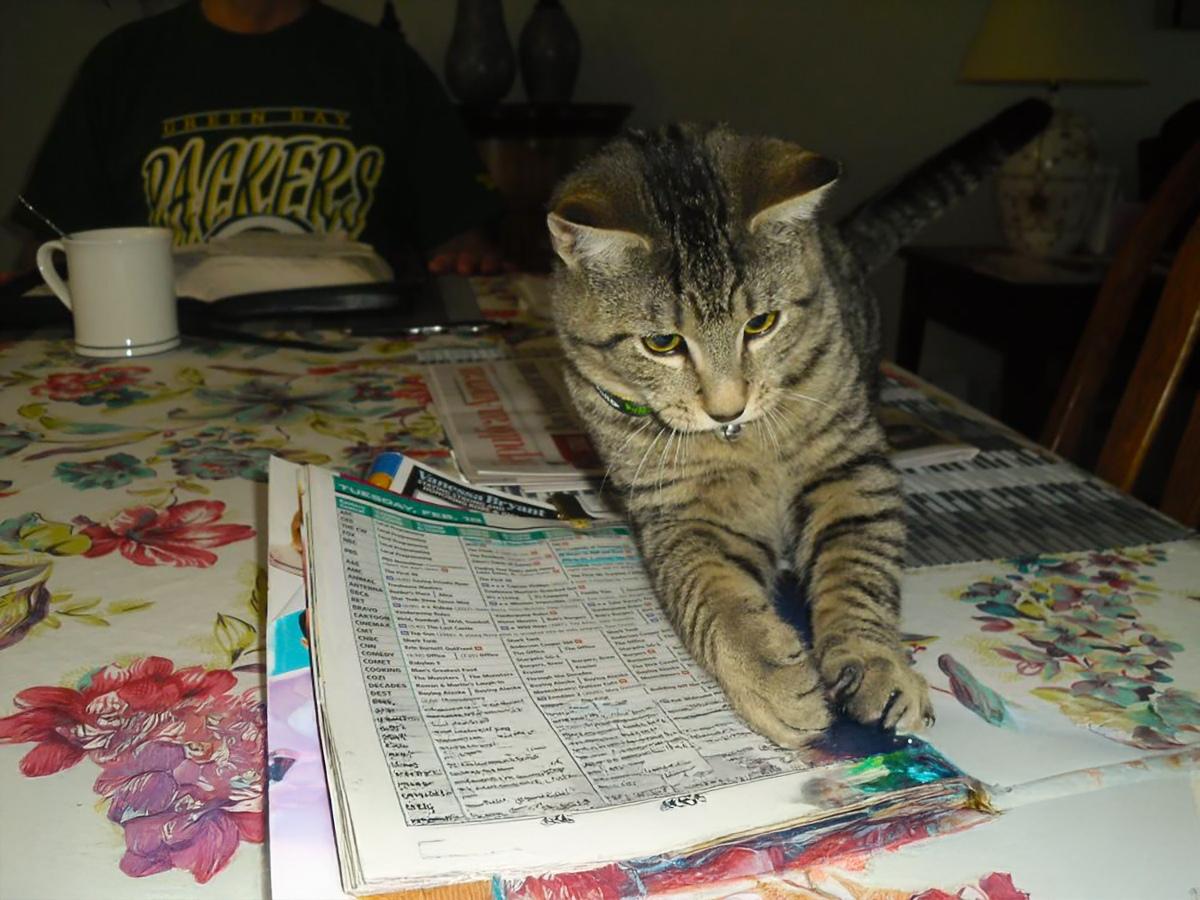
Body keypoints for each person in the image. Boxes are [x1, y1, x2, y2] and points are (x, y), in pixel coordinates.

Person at [12, 0, 507, 276]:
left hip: (352, 351)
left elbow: (460, 239)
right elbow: (53, 243)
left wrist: (471, 263)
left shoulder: (385, 66)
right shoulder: (122, 64)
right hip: (160, 351)